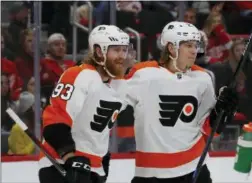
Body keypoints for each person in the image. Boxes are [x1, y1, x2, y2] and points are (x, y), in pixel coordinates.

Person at [120, 21, 238, 183]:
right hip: (152, 173)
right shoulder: (143, 74)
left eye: (196, 45)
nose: (194, 50)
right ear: (171, 48)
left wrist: (222, 112)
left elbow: (209, 129)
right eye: (188, 45)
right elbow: (109, 98)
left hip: (194, 168)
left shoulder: (203, 78)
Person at [38, 25, 130, 183]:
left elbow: (98, 128)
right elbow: (54, 122)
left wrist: (103, 159)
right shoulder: (79, 75)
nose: (122, 56)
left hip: (94, 168)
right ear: (99, 51)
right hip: (62, 165)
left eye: (124, 49)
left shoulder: (120, 84)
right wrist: (69, 157)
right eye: (116, 50)